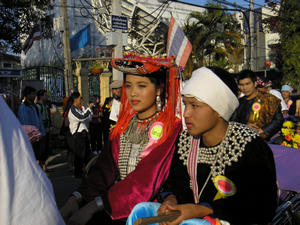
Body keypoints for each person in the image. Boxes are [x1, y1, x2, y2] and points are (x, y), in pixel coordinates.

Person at [126, 66, 277, 225]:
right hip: (189, 216)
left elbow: (261, 207)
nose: (186, 113)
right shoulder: (186, 141)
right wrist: (172, 199)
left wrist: (203, 210)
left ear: (218, 110)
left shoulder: (250, 145)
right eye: (185, 104)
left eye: (195, 105)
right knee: (141, 211)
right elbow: (177, 184)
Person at [60, 53, 182, 224]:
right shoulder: (122, 128)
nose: (133, 93)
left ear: (159, 88)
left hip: (152, 211)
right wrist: (77, 197)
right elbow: (104, 171)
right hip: (114, 205)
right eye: (129, 86)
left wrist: (96, 205)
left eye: (141, 86)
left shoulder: (170, 128)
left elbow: (145, 180)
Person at [0, 96, 65, 224]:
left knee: (41, 154)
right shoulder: (23, 109)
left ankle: (43, 166)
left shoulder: (36, 108)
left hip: (38, 133)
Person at [230, 69, 284, 140]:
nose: (245, 88)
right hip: (243, 140)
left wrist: (262, 130)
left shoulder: (270, 99)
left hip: (263, 142)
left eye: (247, 84)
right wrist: (244, 127)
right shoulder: (237, 102)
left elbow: (278, 120)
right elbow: (232, 123)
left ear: (255, 84)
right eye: (242, 85)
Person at [17, 86, 46, 167]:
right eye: (32, 94)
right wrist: (31, 135)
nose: (34, 96)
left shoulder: (35, 107)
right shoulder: (23, 108)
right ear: (27, 95)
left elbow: (39, 121)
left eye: (35, 94)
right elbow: (26, 124)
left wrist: (42, 134)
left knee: (38, 156)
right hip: (30, 137)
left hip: (38, 136)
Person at [68, 92, 93, 178]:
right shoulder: (73, 110)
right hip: (78, 135)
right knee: (80, 155)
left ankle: (87, 171)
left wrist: (89, 112)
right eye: (80, 98)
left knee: (86, 154)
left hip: (84, 133)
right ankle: (78, 173)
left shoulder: (78, 109)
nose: (81, 100)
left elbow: (85, 120)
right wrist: (88, 109)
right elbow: (80, 117)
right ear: (75, 100)